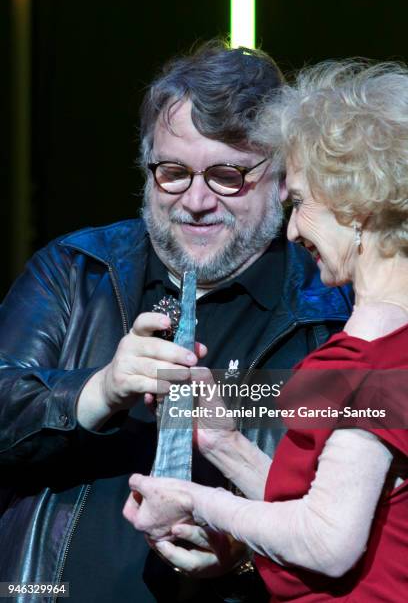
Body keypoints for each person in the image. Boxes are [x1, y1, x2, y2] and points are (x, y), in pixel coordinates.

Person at [0, 41, 351, 603]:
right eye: (173, 172)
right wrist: (99, 390)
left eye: (227, 176)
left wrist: (244, 557)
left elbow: (360, 518)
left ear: (284, 181)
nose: (195, 201)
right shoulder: (75, 270)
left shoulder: (334, 307)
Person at [123, 60, 408, 602]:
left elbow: (328, 542)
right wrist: (225, 443)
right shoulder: (382, 348)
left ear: (358, 204)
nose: (293, 227)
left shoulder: (374, 358)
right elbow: (323, 506)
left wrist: (191, 499)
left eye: (300, 202)